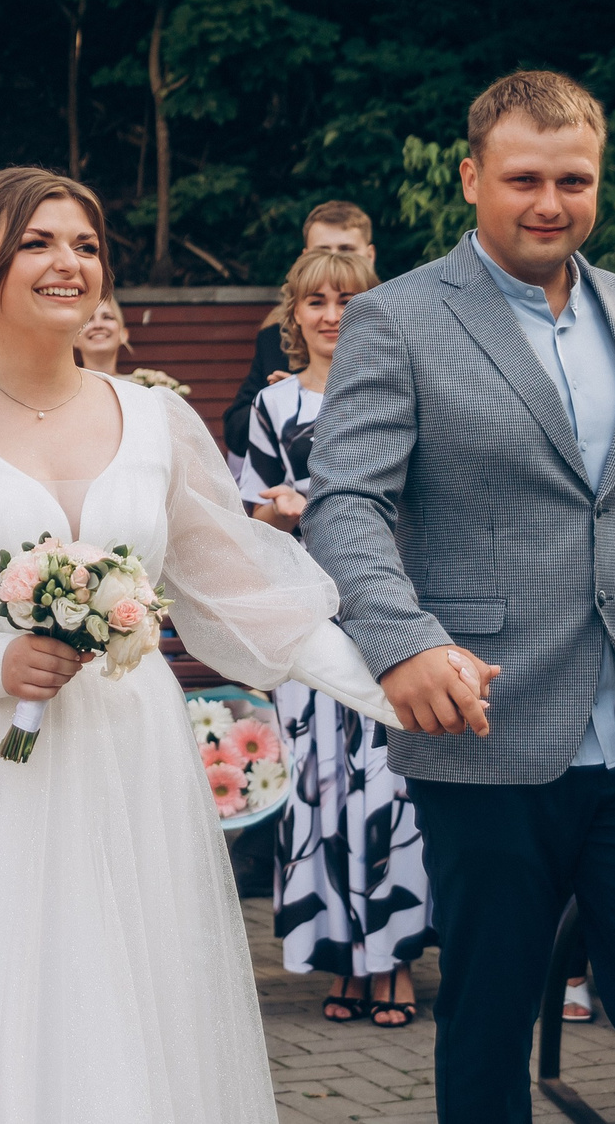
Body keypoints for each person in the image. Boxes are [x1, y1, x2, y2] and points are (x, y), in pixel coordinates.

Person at [0, 167, 400, 1124]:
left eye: (85, 244)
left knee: (124, 1001)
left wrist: (395, 689)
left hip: (125, 762)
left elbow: (253, 600)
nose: (70, 262)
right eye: (38, 242)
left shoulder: (156, 419)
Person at [306, 71, 615, 1124]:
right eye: (522, 178)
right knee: (491, 1017)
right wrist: (402, 641)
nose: (548, 200)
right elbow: (345, 507)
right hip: (485, 723)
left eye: (573, 178)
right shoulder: (395, 317)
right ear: (471, 177)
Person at [236, 247, 429, 1029]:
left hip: (383, 606)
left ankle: (397, 961)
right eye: (316, 300)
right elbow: (245, 526)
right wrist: (276, 514)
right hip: (306, 618)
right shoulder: (272, 409)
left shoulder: (399, 394)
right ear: (295, 314)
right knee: (319, 790)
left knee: (389, 787)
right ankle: (342, 959)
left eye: (347, 299)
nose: (331, 314)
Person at [223, 201, 377, 471]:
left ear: (369, 255)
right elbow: (236, 429)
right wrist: (283, 402)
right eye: (322, 252)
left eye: (346, 251)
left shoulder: (402, 329)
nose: (334, 259)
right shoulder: (276, 338)